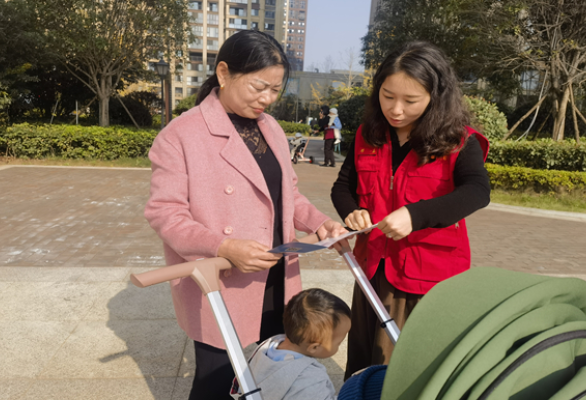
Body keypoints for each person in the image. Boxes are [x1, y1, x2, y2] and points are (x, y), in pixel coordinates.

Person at [144, 30, 346, 400]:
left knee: (269, 370)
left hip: (276, 273)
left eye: (275, 89)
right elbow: (165, 213)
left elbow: (289, 195)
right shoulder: (181, 134)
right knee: (217, 380)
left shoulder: (270, 129)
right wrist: (224, 246)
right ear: (223, 73)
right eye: (259, 87)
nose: (267, 99)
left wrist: (321, 222)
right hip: (223, 278)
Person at [330, 41, 490, 379]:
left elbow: (477, 191)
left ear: (436, 96)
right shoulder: (369, 135)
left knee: (405, 368)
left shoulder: (459, 141)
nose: (396, 110)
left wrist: (415, 216)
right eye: (388, 96)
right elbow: (343, 187)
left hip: (425, 276)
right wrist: (352, 211)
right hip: (372, 268)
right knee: (363, 361)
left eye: (410, 100)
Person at [231, 288, 352, 400]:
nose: (339, 346)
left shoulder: (269, 345)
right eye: (339, 343)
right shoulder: (309, 379)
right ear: (314, 347)